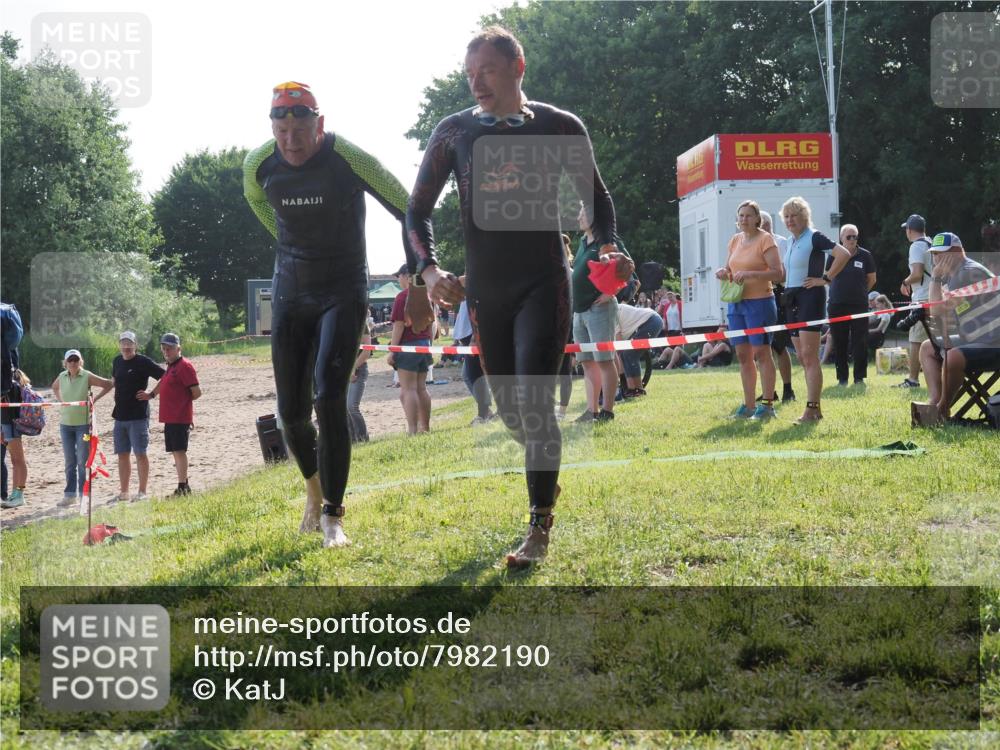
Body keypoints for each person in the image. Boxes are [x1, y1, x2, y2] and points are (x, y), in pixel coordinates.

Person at [405, 26, 621, 567]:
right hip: (486, 291)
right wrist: (429, 273)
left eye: (488, 72)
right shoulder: (454, 133)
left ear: (517, 69)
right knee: (510, 412)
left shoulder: (559, 126)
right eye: (469, 74)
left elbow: (596, 202)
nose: (476, 83)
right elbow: (417, 211)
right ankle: (544, 479)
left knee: (533, 400)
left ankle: (538, 525)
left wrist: (607, 248)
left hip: (543, 281)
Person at [244, 82, 415, 548]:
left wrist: (421, 268)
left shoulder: (349, 158)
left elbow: (408, 205)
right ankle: (314, 492)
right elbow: (258, 202)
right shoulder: (257, 164)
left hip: (343, 287)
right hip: (291, 290)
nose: (291, 142)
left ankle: (334, 518)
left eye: (300, 130)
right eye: (281, 131)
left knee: (329, 397)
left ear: (319, 124)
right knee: (291, 413)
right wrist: (286, 242)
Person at [780, 197, 851, 422]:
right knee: (802, 356)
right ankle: (815, 409)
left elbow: (843, 254)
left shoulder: (814, 236)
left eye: (794, 215)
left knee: (810, 357)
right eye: (787, 216)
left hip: (810, 297)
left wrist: (826, 279)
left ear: (804, 216)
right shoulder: (791, 241)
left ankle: (811, 409)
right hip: (791, 299)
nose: (790, 220)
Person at [918, 232, 1000, 418]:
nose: (936, 258)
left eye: (940, 253)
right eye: (934, 254)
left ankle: (941, 408)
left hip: (994, 342)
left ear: (956, 252)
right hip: (976, 338)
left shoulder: (967, 273)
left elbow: (936, 311)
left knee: (953, 357)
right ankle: (934, 402)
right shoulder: (956, 274)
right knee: (927, 348)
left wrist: (936, 278)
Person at [715, 200, 783, 420]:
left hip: (760, 302)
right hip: (736, 302)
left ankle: (768, 405)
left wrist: (752, 274)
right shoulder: (735, 240)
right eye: (740, 215)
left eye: (748, 215)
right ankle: (748, 405)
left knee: (762, 353)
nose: (743, 219)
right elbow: (730, 268)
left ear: (757, 219)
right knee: (743, 355)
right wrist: (723, 272)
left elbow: (778, 274)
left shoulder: (765, 239)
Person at [572, 203, 632, 422]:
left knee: (605, 361)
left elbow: (629, 272)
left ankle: (607, 411)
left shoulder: (608, 242)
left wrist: (610, 293)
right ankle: (591, 411)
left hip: (599, 310)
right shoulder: (582, 242)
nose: (578, 216)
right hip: (579, 311)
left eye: (582, 212)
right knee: (587, 362)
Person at [138, 333, 201, 496]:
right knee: (175, 451)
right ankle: (183, 484)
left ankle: (183, 488)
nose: (166, 351)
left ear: (178, 348)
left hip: (179, 417)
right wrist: (151, 394)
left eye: (170, 348)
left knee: (179, 451)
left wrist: (183, 406)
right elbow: (163, 382)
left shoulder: (185, 366)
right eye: (164, 348)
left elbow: (196, 392)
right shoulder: (171, 366)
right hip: (171, 417)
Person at [51, 349, 112, 507]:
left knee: (82, 461)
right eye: (70, 360)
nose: (73, 363)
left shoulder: (86, 375)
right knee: (69, 461)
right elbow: (54, 387)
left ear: (80, 361)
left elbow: (108, 384)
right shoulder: (61, 376)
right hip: (65, 425)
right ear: (65, 363)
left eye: (76, 360)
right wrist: (61, 401)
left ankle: (84, 495)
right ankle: (70, 495)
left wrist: (94, 400)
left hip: (83, 426)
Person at [109, 331, 164, 503]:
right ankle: (124, 492)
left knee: (140, 453)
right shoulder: (117, 361)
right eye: (123, 343)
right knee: (122, 455)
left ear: (135, 345)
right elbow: (114, 381)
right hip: (120, 416)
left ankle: (142, 492)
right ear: (119, 345)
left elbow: (165, 376)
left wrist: (151, 394)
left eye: (129, 343)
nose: (126, 346)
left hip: (138, 416)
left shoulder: (143, 361)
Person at [827, 224, 877, 386]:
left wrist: (861, 292)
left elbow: (872, 279)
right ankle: (842, 378)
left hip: (859, 305)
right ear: (841, 238)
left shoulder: (865, 256)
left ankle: (859, 378)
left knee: (860, 341)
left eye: (855, 236)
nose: (852, 240)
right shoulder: (834, 255)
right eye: (849, 237)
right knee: (839, 341)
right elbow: (829, 277)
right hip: (837, 304)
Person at [388, 266, 433, 434]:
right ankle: (425, 428)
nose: (397, 280)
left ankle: (412, 430)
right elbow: (432, 325)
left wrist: (392, 350)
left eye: (398, 276)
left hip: (407, 345)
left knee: (408, 390)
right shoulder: (426, 295)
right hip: (424, 344)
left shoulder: (402, 297)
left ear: (407, 277)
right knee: (421, 389)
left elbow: (398, 326)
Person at [760, 210, 795, 403]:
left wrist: (762, 273)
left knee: (780, 346)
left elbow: (782, 274)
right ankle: (768, 390)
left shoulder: (781, 243)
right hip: (758, 296)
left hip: (777, 295)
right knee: (762, 347)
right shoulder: (752, 243)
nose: (764, 229)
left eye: (766, 226)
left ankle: (788, 389)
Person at [897, 214, 934, 388]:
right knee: (932, 340)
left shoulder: (916, 246)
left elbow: (917, 273)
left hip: (922, 299)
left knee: (916, 340)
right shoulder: (931, 243)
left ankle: (913, 380)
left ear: (909, 230)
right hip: (935, 297)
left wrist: (905, 282)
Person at [453, 298, 496, 425]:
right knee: (469, 375)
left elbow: (481, 305)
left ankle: (483, 414)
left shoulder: (476, 281)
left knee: (475, 375)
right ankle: (487, 411)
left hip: (474, 334)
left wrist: (474, 336)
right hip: (469, 334)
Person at [616, 303, 663, 397]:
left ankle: (638, 389)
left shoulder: (611, 314)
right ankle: (632, 389)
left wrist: (621, 378)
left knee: (630, 354)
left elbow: (620, 345)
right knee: (627, 354)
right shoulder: (610, 311)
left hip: (651, 321)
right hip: (650, 320)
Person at [0, 369, 30, 509]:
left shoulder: (12, 387)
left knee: (19, 460)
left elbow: (11, 410)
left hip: (13, 425)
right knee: (15, 461)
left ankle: (20, 494)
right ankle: (14, 494)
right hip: (7, 425)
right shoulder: (8, 387)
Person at [348, 320, 374, 442]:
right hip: (340, 370)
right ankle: (352, 440)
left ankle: (363, 438)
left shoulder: (361, 324)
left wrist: (353, 368)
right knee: (345, 408)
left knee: (352, 406)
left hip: (358, 369)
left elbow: (366, 351)